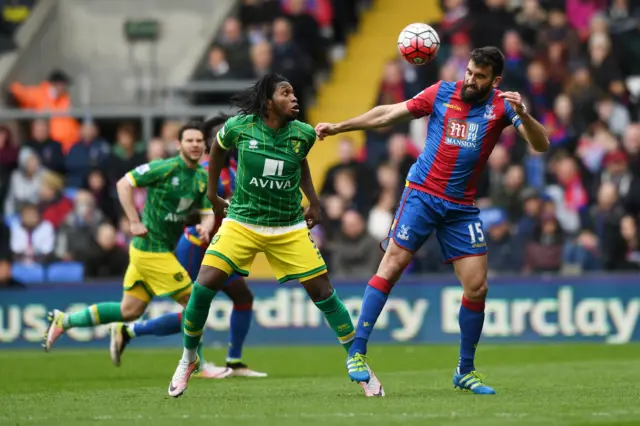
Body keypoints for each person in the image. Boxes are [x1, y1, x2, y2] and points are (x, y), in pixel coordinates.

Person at [315, 47, 550, 395]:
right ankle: (358, 352)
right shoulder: (442, 92)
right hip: (422, 194)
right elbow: (388, 115)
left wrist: (525, 115)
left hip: (460, 208)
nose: (470, 79)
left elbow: (541, 144)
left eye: (480, 76)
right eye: (469, 71)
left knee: (477, 287)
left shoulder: (502, 106)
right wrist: (339, 127)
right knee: (391, 265)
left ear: (495, 81)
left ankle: (465, 371)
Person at [167, 73, 384, 398]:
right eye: (286, 93)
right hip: (242, 221)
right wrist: (212, 196)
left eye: (294, 92)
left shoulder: (304, 133)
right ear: (269, 102)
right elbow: (217, 153)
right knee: (203, 287)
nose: (294, 98)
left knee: (323, 291)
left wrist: (313, 200)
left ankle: (358, 362)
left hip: (288, 226)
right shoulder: (239, 127)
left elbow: (300, 161)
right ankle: (188, 359)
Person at [109, 115, 266, 379]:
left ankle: (235, 361)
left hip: (223, 246)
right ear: (209, 141)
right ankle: (135, 333)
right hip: (197, 245)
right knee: (193, 308)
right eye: (221, 134)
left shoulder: (236, 167)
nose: (229, 138)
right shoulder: (202, 170)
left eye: (232, 133)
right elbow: (189, 209)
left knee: (242, 297)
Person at [43, 122, 212, 353]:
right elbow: (124, 184)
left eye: (199, 141)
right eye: (189, 140)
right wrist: (133, 220)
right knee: (195, 304)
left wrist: (205, 226)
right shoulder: (162, 168)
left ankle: (65, 321)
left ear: (204, 145)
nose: (194, 145)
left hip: (155, 249)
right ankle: (197, 365)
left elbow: (207, 211)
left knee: (129, 311)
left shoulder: (202, 177)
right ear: (178, 144)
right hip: (152, 251)